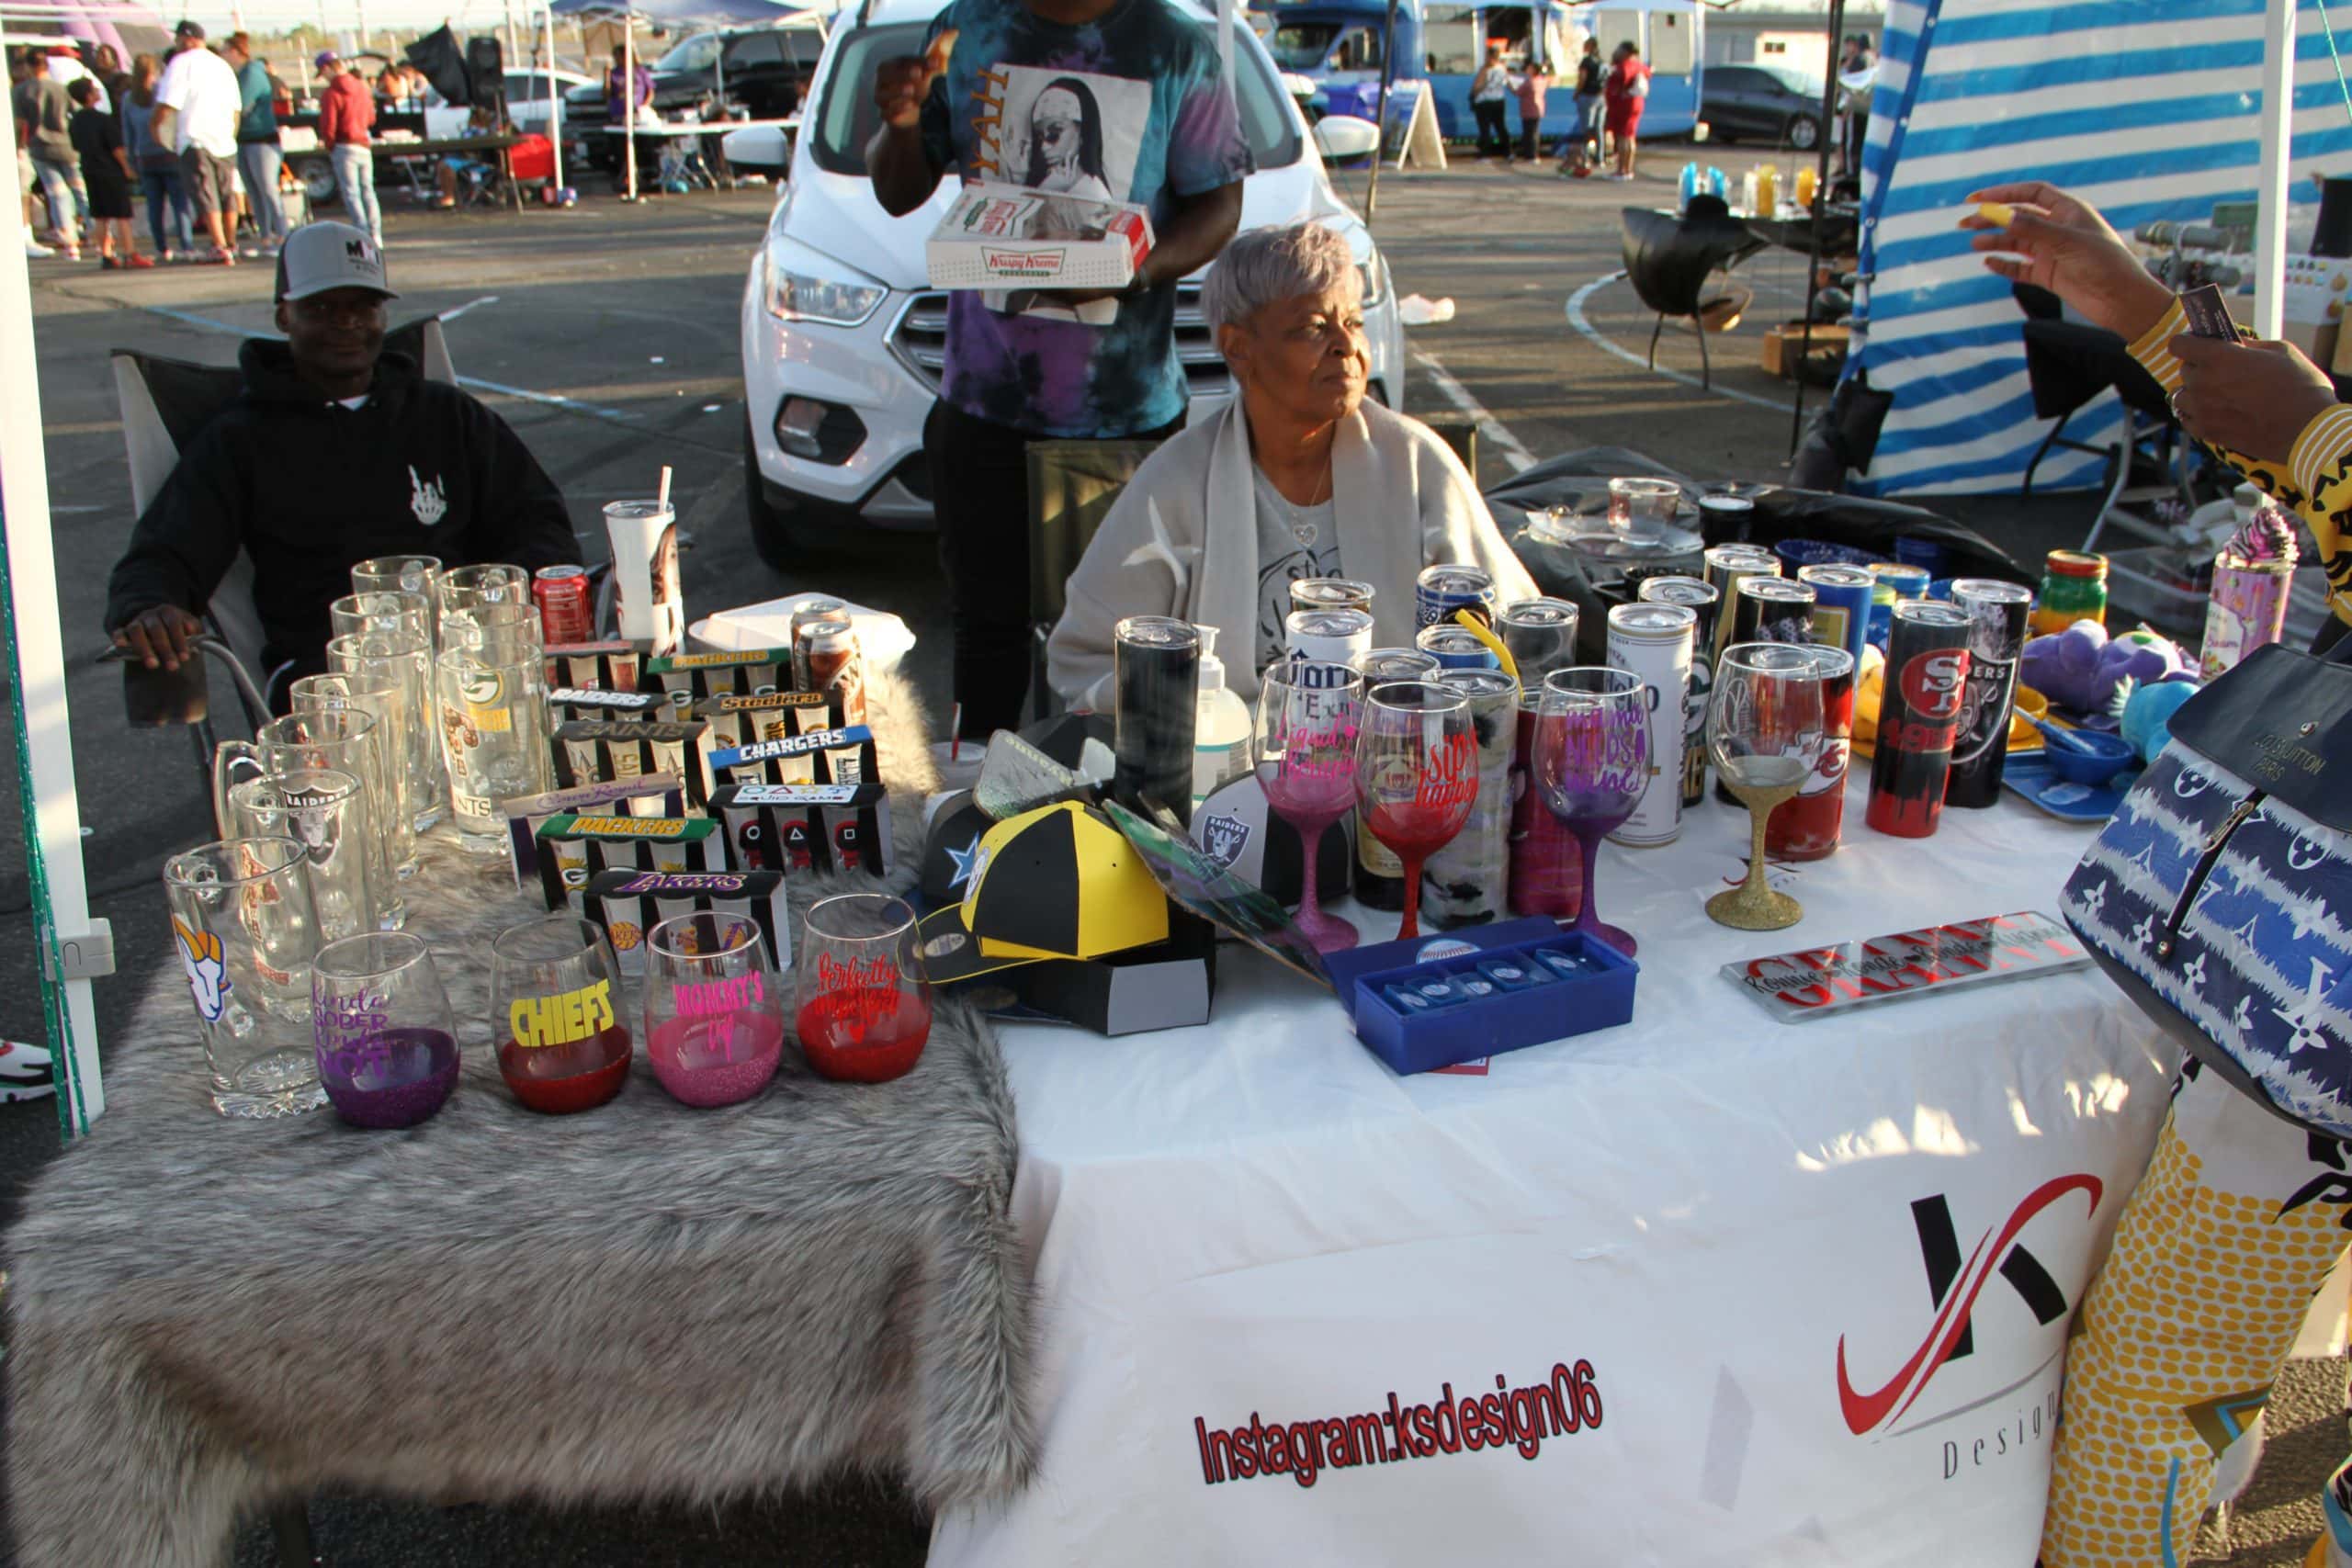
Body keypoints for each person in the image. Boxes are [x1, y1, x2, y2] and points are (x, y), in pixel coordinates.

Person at [1959, 180, 2352, 1568]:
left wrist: (2316, 431)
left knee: (2167, 1426)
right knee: (2292, 1426)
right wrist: (2160, 332)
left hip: (2314, 1070)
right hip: (2310, 1045)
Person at [865, 0, 1250, 740]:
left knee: (1128, 647)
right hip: (983, 406)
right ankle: (987, 824)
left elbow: (1220, 203)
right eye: (1038, 133)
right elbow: (897, 190)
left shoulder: (1173, 45)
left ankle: (1125, 821)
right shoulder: (970, 27)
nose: (1047, 144)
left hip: (1126, 417)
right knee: (988, 641)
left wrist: (1131, 273)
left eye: (1062, 130)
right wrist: (904, 122)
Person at [1046, 222, 1536, 705]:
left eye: (1355, 322)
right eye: (1315, 328)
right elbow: (1086, 658)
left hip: (1399, 762)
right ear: (1239, 348)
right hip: (1222, 767)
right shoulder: (1174, 482)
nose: (1346, 345)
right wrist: (1197, 712)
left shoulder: (1416, 463)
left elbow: (1520, 635)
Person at [107, 222, 578, 699]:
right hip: (327, 676)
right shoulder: (242, 437)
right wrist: (149, 607)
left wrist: (496, 614)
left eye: (363, 306)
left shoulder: (445, 414)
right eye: (322, 307)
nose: (347, 322)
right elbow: (165, 552)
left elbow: (537, 520)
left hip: (463, 662)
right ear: (284, 316)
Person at [152, 21, 241, 265]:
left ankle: (219, 245)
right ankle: (231, 242)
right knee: (227, 194)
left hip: (195, 137)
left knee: (206, 193)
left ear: (185, 39)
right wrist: (231, 134)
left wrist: (156, 128)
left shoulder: (181, 63)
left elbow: (169, 102)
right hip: (224, 139)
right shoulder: (221, 65)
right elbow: (236, 109)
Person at [122, 53, 192, 262]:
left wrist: (131, 159)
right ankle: (186, 244)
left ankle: (161, 247)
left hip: (145, 157)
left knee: (155, 205)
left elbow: (128, 132)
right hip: (168, 154)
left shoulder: (129, 98)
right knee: (180, 203)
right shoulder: (162, 93)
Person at [67, 78, 142, 268]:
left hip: (89, 168)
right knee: (121, 214)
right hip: (109, 169)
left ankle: (106, 255)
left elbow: (75, 145)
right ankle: (129, 252)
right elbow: (116, 148)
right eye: (94, 90)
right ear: (89, 95)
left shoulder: (76, 120)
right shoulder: (102, 119)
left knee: (100, 215)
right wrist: (127, 167)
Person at [16, 50, 85, 257]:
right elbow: (75, 112)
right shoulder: (60, 89)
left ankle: (69, 241)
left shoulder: (20, 91)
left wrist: (20, 147)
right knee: (79, 191)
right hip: (66, 145)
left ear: (29, 66)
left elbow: (20, 124)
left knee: (57, 194)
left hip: (39, 148)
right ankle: (96, 231)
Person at [222, 32, 285, 255]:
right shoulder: (240, 74)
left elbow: (240, 104)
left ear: (236, 52)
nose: (222, 54)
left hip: (262, 141)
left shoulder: (251, 73)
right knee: (254, 191)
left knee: (267, 188)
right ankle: (266, 237)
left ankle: (282, 234)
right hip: (245, 140)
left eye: (225, 50)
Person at [315, 51, 379, 247]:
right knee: (368, 190)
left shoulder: (331, 94)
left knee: (351, 192)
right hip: (363, 144)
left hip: (344, 146)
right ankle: (376, 233)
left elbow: (329, 125)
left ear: (326, 68)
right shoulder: (362, 88)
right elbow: (371, 118)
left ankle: (361, 234)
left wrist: (329, 143)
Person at [1601, 39, 1646, 181]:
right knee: (1630, 137)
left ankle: (1622, 170)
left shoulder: (1625, 66)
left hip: (1624, 105)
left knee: (1622, 137)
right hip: (1636, 103)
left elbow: (1620, 77)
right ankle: (1628, 169)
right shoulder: (1639, 65)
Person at [1837, 33, 1871, 180]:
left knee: (1851, 141)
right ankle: (1855, 170)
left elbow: (1852, 85)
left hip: (1855, 105)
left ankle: (1851, 172)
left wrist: (1847, 106)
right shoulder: (1872, 58)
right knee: (1859, 141)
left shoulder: (1860, 60)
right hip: (1866, 107)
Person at [1469, 46, 1511, 161]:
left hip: (1484, 102)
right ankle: (1508, 152)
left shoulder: (1485, 70)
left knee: (1485, 129)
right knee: (1501, 127)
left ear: (1489, 56)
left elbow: (1476, 88)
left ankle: (1485, 154)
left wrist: (1476, 91)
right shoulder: (1502, 69)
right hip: (1499, 101)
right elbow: (1509, 84)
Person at [1566, 35, 1603, 164]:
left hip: (1587, 96)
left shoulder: (1586, 61)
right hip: (1601, 98)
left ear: (1590, 46)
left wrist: (1576, 93)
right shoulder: (1601, 61)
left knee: (1586, 128)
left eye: (1585, 44)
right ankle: (1600, 157)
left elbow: (1582, 78)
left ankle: (1586, 157)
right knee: (1598, 128)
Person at [1513, 55, 1550, 164]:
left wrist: (1510, 85)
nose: (1527, 70)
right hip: (1538, 109)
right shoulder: (1542, 81)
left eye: (1529, 68)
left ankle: (1531, 155)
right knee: (1534, 132)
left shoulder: (1529, 82)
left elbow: (1518, 92)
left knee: (1529, 133)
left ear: (1533, 70)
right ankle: (1533, 154)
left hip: (1529, 110)